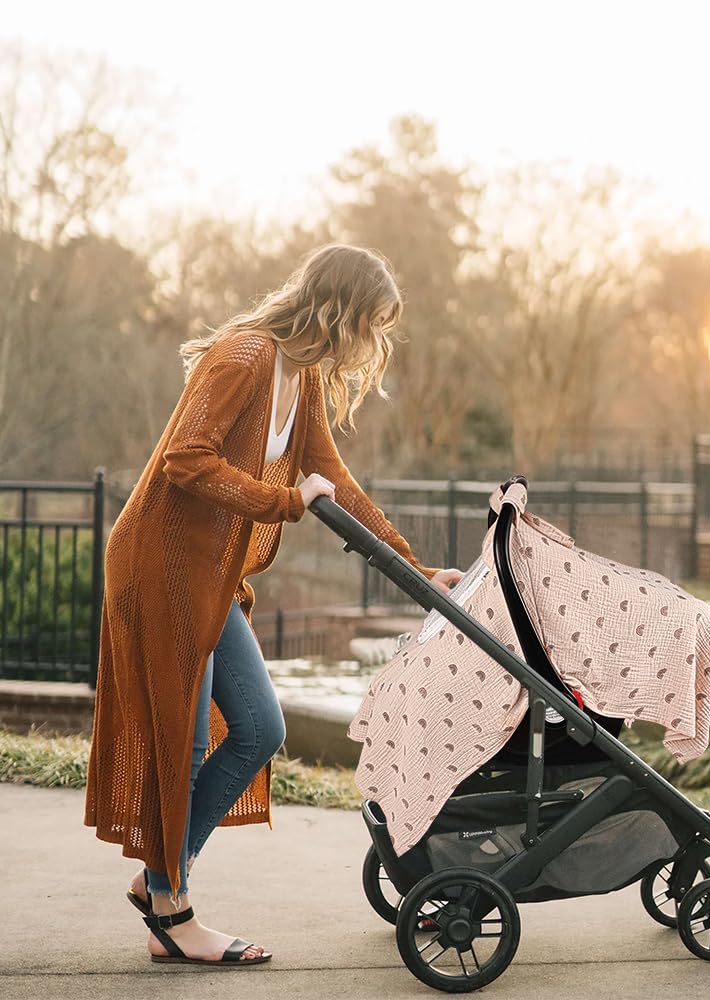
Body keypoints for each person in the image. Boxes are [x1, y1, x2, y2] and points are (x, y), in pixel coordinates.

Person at [84, 243, 463, 968]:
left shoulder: (303, 378)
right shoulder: (245, 356)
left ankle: (157, 883)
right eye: (374, 324)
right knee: (185, 743)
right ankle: (173, 909)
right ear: (339, 311)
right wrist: (284, 502)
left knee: (260, 728)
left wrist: (417, 569)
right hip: (159, 564)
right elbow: (184, 461)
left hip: (210, 573)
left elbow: (336, 482)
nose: (376, 342)